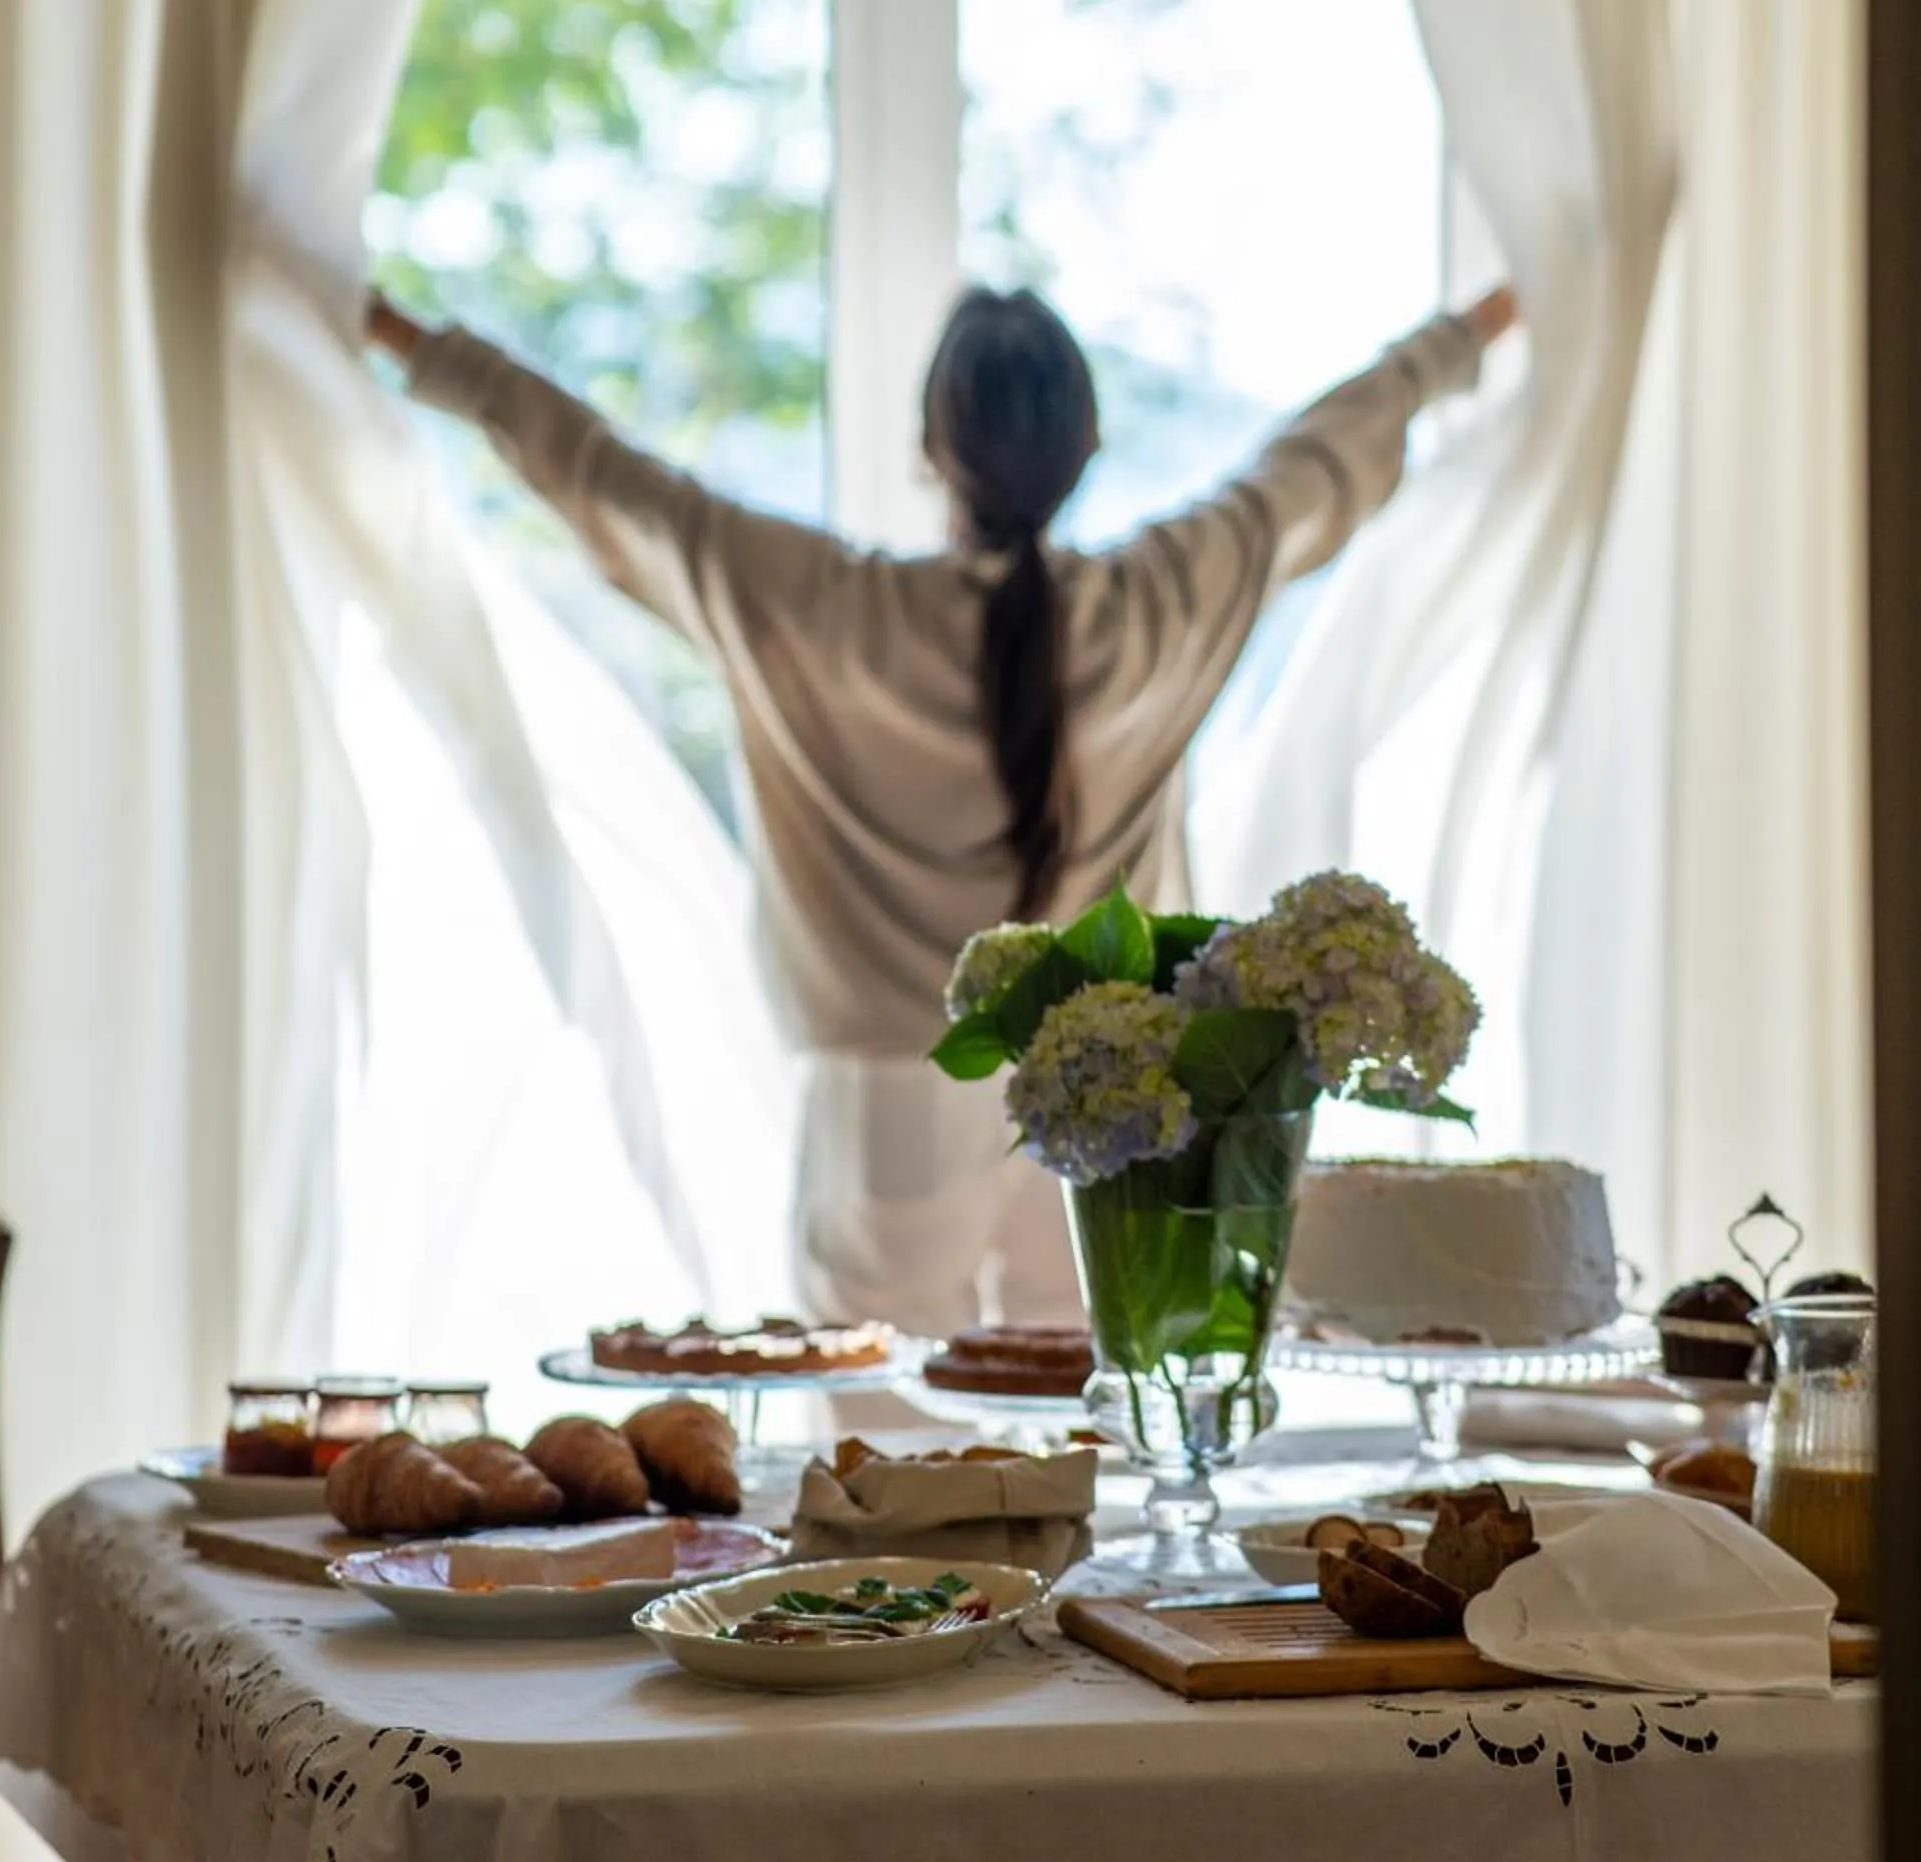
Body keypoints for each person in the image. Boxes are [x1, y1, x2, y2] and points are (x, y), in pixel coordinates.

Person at [365, 279, 1518, 1336]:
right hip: (1106, 1080)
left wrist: (404, 336)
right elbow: (1315, 458)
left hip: (882, 1096)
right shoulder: (1160, 600)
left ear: (930, 449)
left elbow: (601, 470)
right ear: (1088, 444)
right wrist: (1470, 331)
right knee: (1077, 1431)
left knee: (881, 1457)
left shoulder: (818, 607)